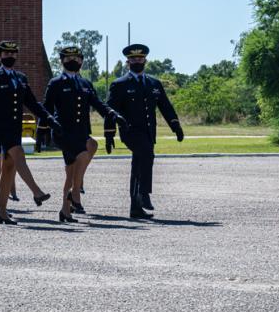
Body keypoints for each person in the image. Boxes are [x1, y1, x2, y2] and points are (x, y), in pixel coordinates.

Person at [0, 40, 61, 224]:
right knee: (18, 153)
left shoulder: (21, 78)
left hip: (14, 127)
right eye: (6, 54)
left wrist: (49, 119)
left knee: (8, 168)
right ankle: (36, 192)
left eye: (13, 54)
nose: (10, 57)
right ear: (0, 56)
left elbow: (32, 103)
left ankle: (1, 212)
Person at [41, 47, 125, 222]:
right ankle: (76, 192)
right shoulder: (56, 82)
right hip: (63, 132)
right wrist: (42, 130)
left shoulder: (85, 83)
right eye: (69, 58)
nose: (73, 61)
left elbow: (98, 103)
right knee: (87, 150)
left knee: (72, 170)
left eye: (77, 58)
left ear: (82, 61)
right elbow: (46, 108)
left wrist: (112, 114)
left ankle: (65, 210)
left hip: (81, 132)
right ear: (61, 61)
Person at [104, 44, 184, 219]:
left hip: (148, 132)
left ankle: (136, 208)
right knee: (147, 154)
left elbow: (165, 106)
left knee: (138, 165)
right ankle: (145, 193)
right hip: (130, 131)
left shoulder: (154, 84)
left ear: (145, 61)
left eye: (140, 59)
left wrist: (175, 126)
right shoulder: (120, 84)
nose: (137, 62)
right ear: (128, 62)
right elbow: (109, 110)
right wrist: (109, 135)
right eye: (133, 59)